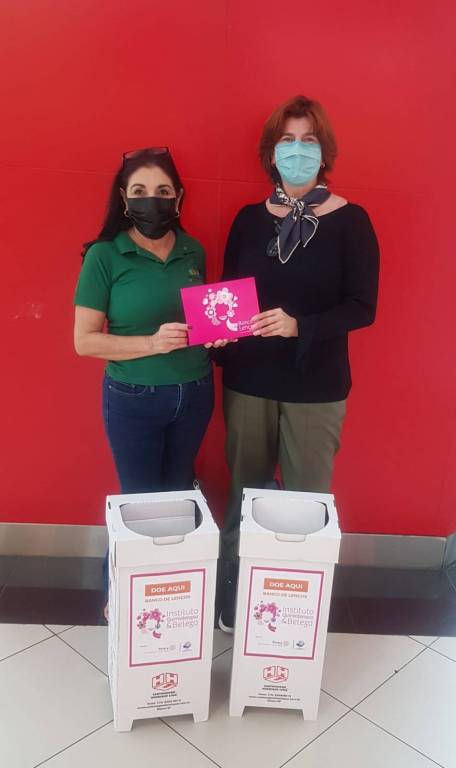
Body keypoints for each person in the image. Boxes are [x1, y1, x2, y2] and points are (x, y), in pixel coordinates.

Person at [217, 96, 380, 632]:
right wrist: (217, 331)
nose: (297, 150)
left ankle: (295, 607)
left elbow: (362, 307)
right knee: (244, 490)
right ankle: (235, 593)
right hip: (249, 380)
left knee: (307, 502)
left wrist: (299, 325)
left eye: (308, 140)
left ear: (324, 152)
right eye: (287, 140)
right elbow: (228, 296)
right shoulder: (248, 221)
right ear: (272, 152)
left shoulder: (352, 222)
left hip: (317, 384)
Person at [74, 147, 223, 620]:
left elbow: (202, 318)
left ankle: (168, 594)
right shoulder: (104, 256)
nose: (151, 200)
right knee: (138, 501)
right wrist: (152, 344)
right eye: (139, 191)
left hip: (195, 392)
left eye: (162, 191)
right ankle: (119, 595)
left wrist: (216, 332)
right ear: (123, 198)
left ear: (178, 196)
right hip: (133, 398)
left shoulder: (193, 250)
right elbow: (84, 341)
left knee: (177, 496)